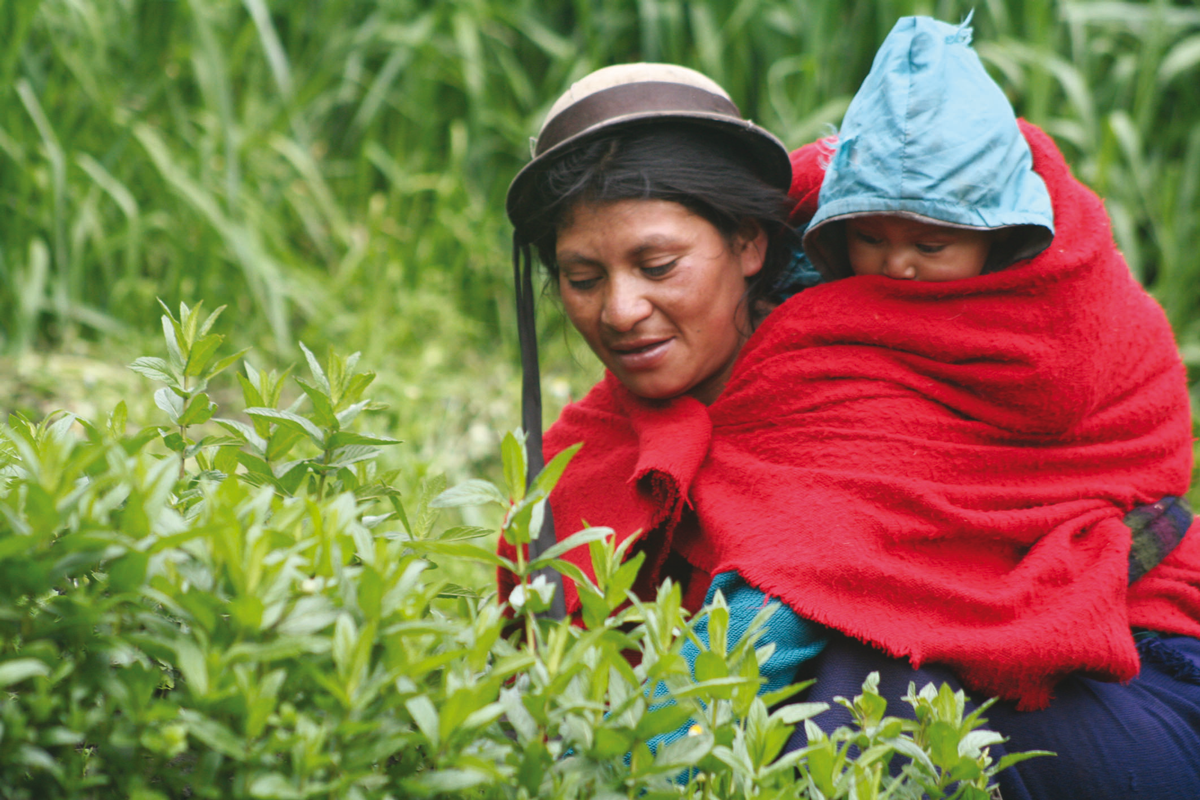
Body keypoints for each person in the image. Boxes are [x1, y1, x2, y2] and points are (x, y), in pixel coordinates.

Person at [500, 19, 1200, 799]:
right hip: (976, 678)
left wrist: (634, 772)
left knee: (857, 691)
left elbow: (783, 604)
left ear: (748, 244)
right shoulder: (607, 433)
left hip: (1130, 680)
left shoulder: (854, 365)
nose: (621, 310)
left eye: (658, 264)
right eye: (583, 277)